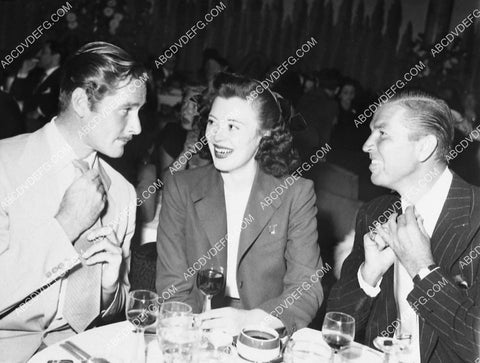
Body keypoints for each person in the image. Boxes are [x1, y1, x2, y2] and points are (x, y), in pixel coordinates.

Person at [0, 41, 146, 361]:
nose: (137, 127)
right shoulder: (5, 166)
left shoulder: (122, 192)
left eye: (139, 112)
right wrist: (65, 225)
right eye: (126, 109)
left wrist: (109, 291)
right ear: (81, 102)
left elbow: (115, 308)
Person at [156, 72, 323, 335]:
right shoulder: (181, 188)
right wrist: (197, 335)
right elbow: (173, 287)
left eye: (233, 126)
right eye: (213, 122)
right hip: (194, 327)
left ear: (264, 133)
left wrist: (251, 321)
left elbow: (306, 288)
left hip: (263, 331)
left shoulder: (295, 194)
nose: (217, 136)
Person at [327, 93, 480, 362]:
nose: (366, 146)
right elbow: (337, 325)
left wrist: (423, 268)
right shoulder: (374, 213)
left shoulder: (475, 219)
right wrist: (369, 274)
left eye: (382, 133)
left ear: (424, 147)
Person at [10, 40, 64, 132]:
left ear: (56, 57)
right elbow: (16, 95)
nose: (39, 56)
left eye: (44, 52)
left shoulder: (62, 77)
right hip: (24, 121)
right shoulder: (36, 74)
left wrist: (39, 111)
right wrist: (23, 72)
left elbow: (58, 101)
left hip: (43, 128)